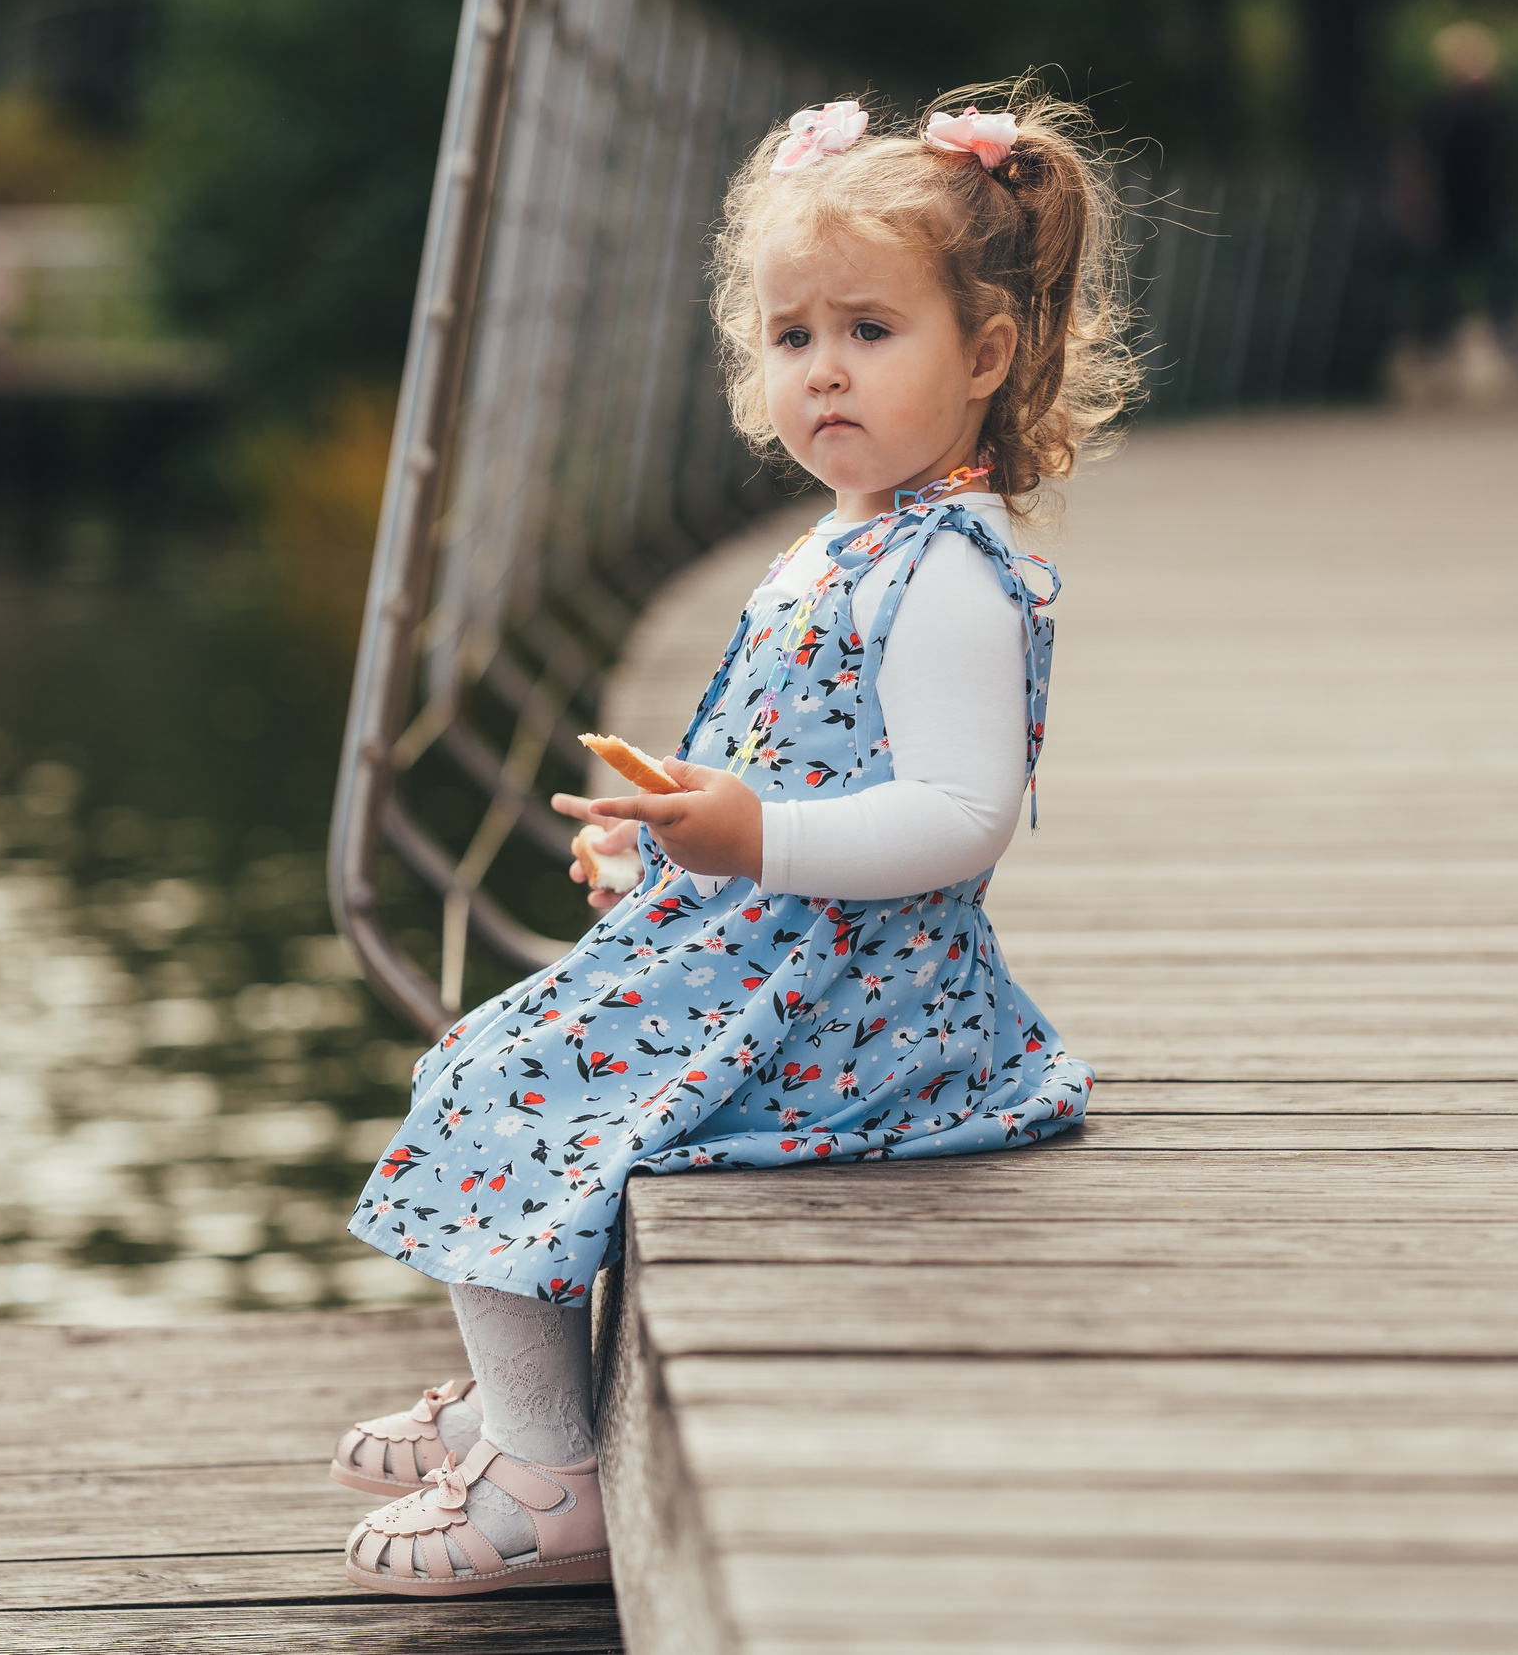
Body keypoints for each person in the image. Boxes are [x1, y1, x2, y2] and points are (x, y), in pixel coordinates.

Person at [324, 83, 1136, 1597]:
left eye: (870, 332)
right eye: (791, 338)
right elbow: (798, 760)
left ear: (990, 353)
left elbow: (957, 821)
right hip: (786, 949)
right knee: (504, 1060)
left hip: (870, 1002)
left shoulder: (949, 569)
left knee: (504, 1074)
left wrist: (755, 837)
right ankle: (529, 1397)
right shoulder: (841, 536)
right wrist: (673, 843)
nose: (823, 372)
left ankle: (552, 1471)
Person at [1401, 21, 1518, 389]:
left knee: (1504, 286)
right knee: (1439, 293)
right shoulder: (1434, 110)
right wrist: (1420, 208)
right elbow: (1417, 162)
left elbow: (1507, 162)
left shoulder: (1495, 109)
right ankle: (1436, 361)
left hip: (1490, 213)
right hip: (1447, 213)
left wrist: (1512, 203)